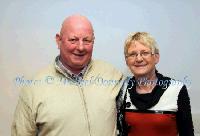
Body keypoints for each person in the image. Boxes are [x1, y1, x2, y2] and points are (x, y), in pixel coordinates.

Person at [12, 14, 123, 136]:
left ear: (93, 41)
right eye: (73, 40)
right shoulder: (32, 89)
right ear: (58, 40)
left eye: (86, 40)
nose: (80, 47)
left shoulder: (112, 75)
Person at [116, 32, 194, 136]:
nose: (139, 59)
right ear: (126, 61)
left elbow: (187, 132)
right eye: (132, 54)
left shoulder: (176, 89)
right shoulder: (122, 89)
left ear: (156, 57)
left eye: (145, 53)